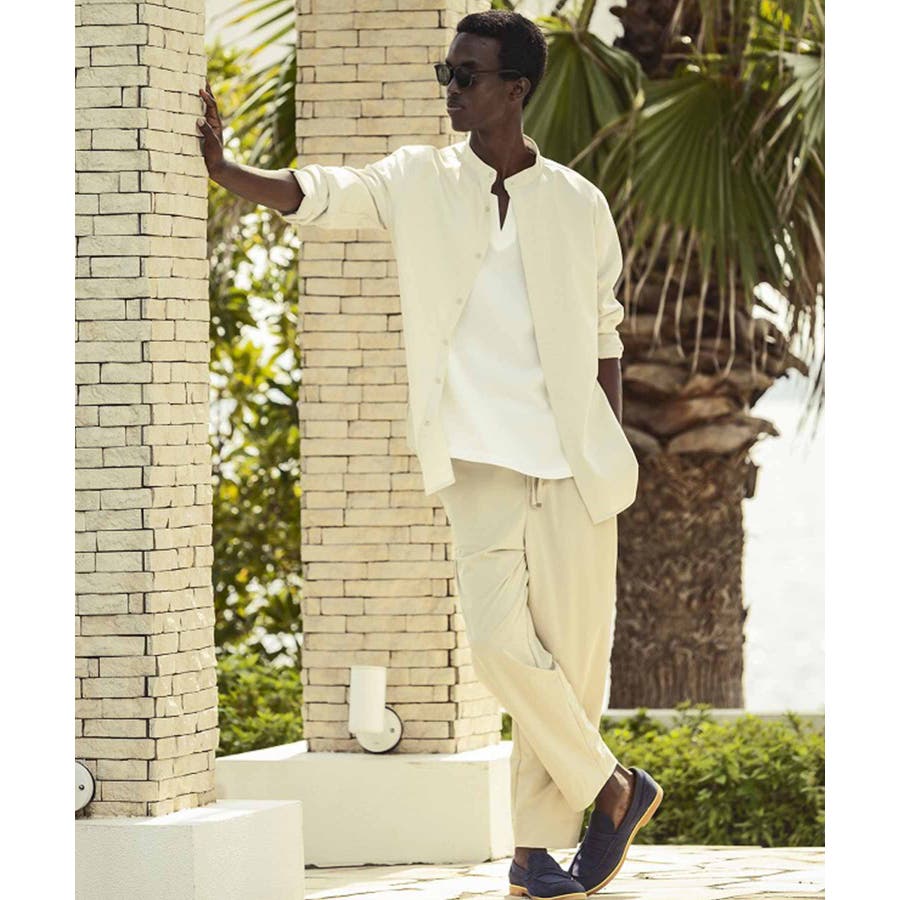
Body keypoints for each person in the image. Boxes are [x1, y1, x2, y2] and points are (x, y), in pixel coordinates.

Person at [197, 8, 662, 899]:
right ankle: (612, 789)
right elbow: (323, 194)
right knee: (496, 648)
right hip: (480, 462)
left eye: (466, 75)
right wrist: (228, 172)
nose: (449, 89)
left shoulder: (577, 202)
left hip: (574, 469)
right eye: (446, 72)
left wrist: (603, 448)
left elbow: (606, 332)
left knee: (567, 668)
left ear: (515, 90)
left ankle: (533, 856)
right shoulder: (419, 179)